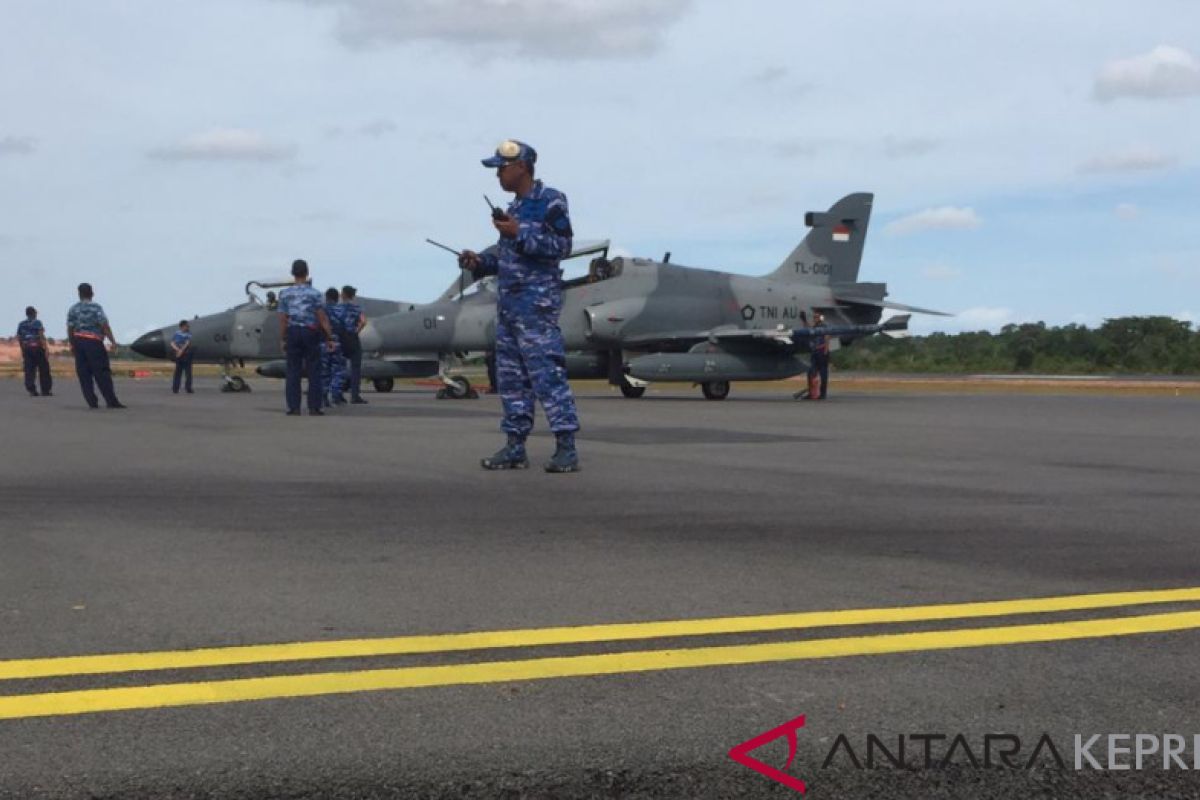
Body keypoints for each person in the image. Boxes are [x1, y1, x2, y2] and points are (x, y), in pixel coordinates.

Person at [458, 139, 581, 473]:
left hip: (536, 309)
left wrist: (519, 231)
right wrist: (480, 262)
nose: (498, 173)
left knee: (548, 377)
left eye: (503, 167)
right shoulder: (512, 210)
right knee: (511, 380)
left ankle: (566, 448)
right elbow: (507, 259)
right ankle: (515, 447)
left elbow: (563, 245)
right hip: (509, 309)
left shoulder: (550, 201)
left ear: (522, 167)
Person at [278, 259, 334, 416]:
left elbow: (283, 318)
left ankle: (293, 407)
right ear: (307, 273)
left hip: (293, 332)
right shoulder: (315, 294)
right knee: (314, 370)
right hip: (311, 332)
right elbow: (322, 317)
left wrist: (283, 338)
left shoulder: (285, 294)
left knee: (293, 371)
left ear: (292, 273)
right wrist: (329, 337)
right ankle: (314, 407)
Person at [66, 283, 124, 409]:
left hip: (79, 342)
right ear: (92, 293)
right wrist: (113, 341)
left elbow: (70, 328)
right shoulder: (96, 308)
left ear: (79, 294)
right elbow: (104, 325)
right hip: (94, 342)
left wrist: (72, 344)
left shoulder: (73, 309)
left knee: (84, 373)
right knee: (102, 372)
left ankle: (91, 401)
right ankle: (111, 400)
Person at [339, 285, 368, 404]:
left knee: (340, 367)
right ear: (353, 295)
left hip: (340, 337)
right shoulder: (356, 307)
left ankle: (338, 394)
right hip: (352, 338)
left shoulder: (338, 308)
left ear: (343, 294)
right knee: (355, 368)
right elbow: (363, 321)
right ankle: (355, 395)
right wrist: (356, 330)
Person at [321, 287, 347, 406]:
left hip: (324, 342)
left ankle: (323, 396)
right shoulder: (342, 310)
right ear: (337, 298)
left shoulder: (322, 309)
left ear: (326, 297)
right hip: (338, 342)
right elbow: (347, 327)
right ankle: (336, 395)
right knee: (338, 370)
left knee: (324, 371)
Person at [17, 306, 52, 397]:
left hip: (27, 349)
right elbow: (41, 335)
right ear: (34, 313)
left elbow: (19, 338)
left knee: (29, 369)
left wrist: (22, 349)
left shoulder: (21, 324)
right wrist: (46, 348)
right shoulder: (37, 322)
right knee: (44, 369)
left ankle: (31, 389)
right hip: (37, 348)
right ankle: (45, 390)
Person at [808, 311, 830, 400]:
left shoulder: (824, 326)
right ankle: (812, 393)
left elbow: (827, 338)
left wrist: (826, 351)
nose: (815, 318)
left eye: (816, 317)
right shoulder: (814, 327)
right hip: (815, 351)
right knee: (810, 372)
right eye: (814, 317)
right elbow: (808, 329)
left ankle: (823, 393)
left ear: (820, 318)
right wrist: (804, 320)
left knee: (823, 373)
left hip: (822, 351)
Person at [170, 319, 194, 394]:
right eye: (187, 326)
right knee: (177, 372)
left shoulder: (189, 334)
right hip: (179, 355)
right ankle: (175, 388)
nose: (188, 327)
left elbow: (187, 343)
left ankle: (188, 388)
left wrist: (180, 351)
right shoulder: (176, 333)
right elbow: (172, 343)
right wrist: (177, 350)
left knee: (188, 373)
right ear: (182, 326)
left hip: (186, 355)